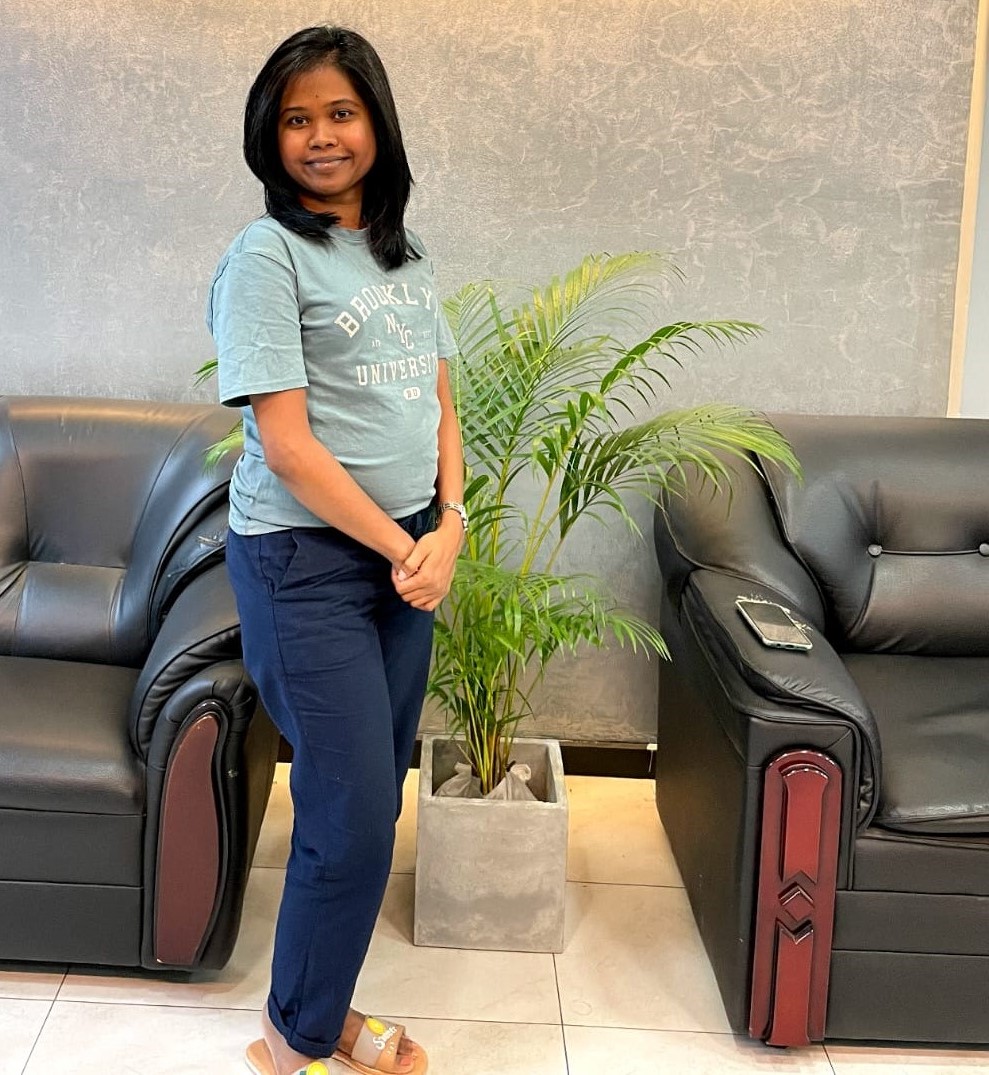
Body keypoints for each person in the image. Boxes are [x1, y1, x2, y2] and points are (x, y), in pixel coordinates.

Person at [207, 25, 465, 1075]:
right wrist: (409, 546)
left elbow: (440, 397)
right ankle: (296, 1043)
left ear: (377, 124)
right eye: (296, 119)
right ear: (268, 138)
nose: (320, 135)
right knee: (352, 816)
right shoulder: (265, 255)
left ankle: (308, 1012)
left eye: (340, 113)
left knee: (360, 804)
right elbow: (287, 445)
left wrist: (451, 521)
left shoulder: (405, 255)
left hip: (403, 561)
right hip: (302, 563)